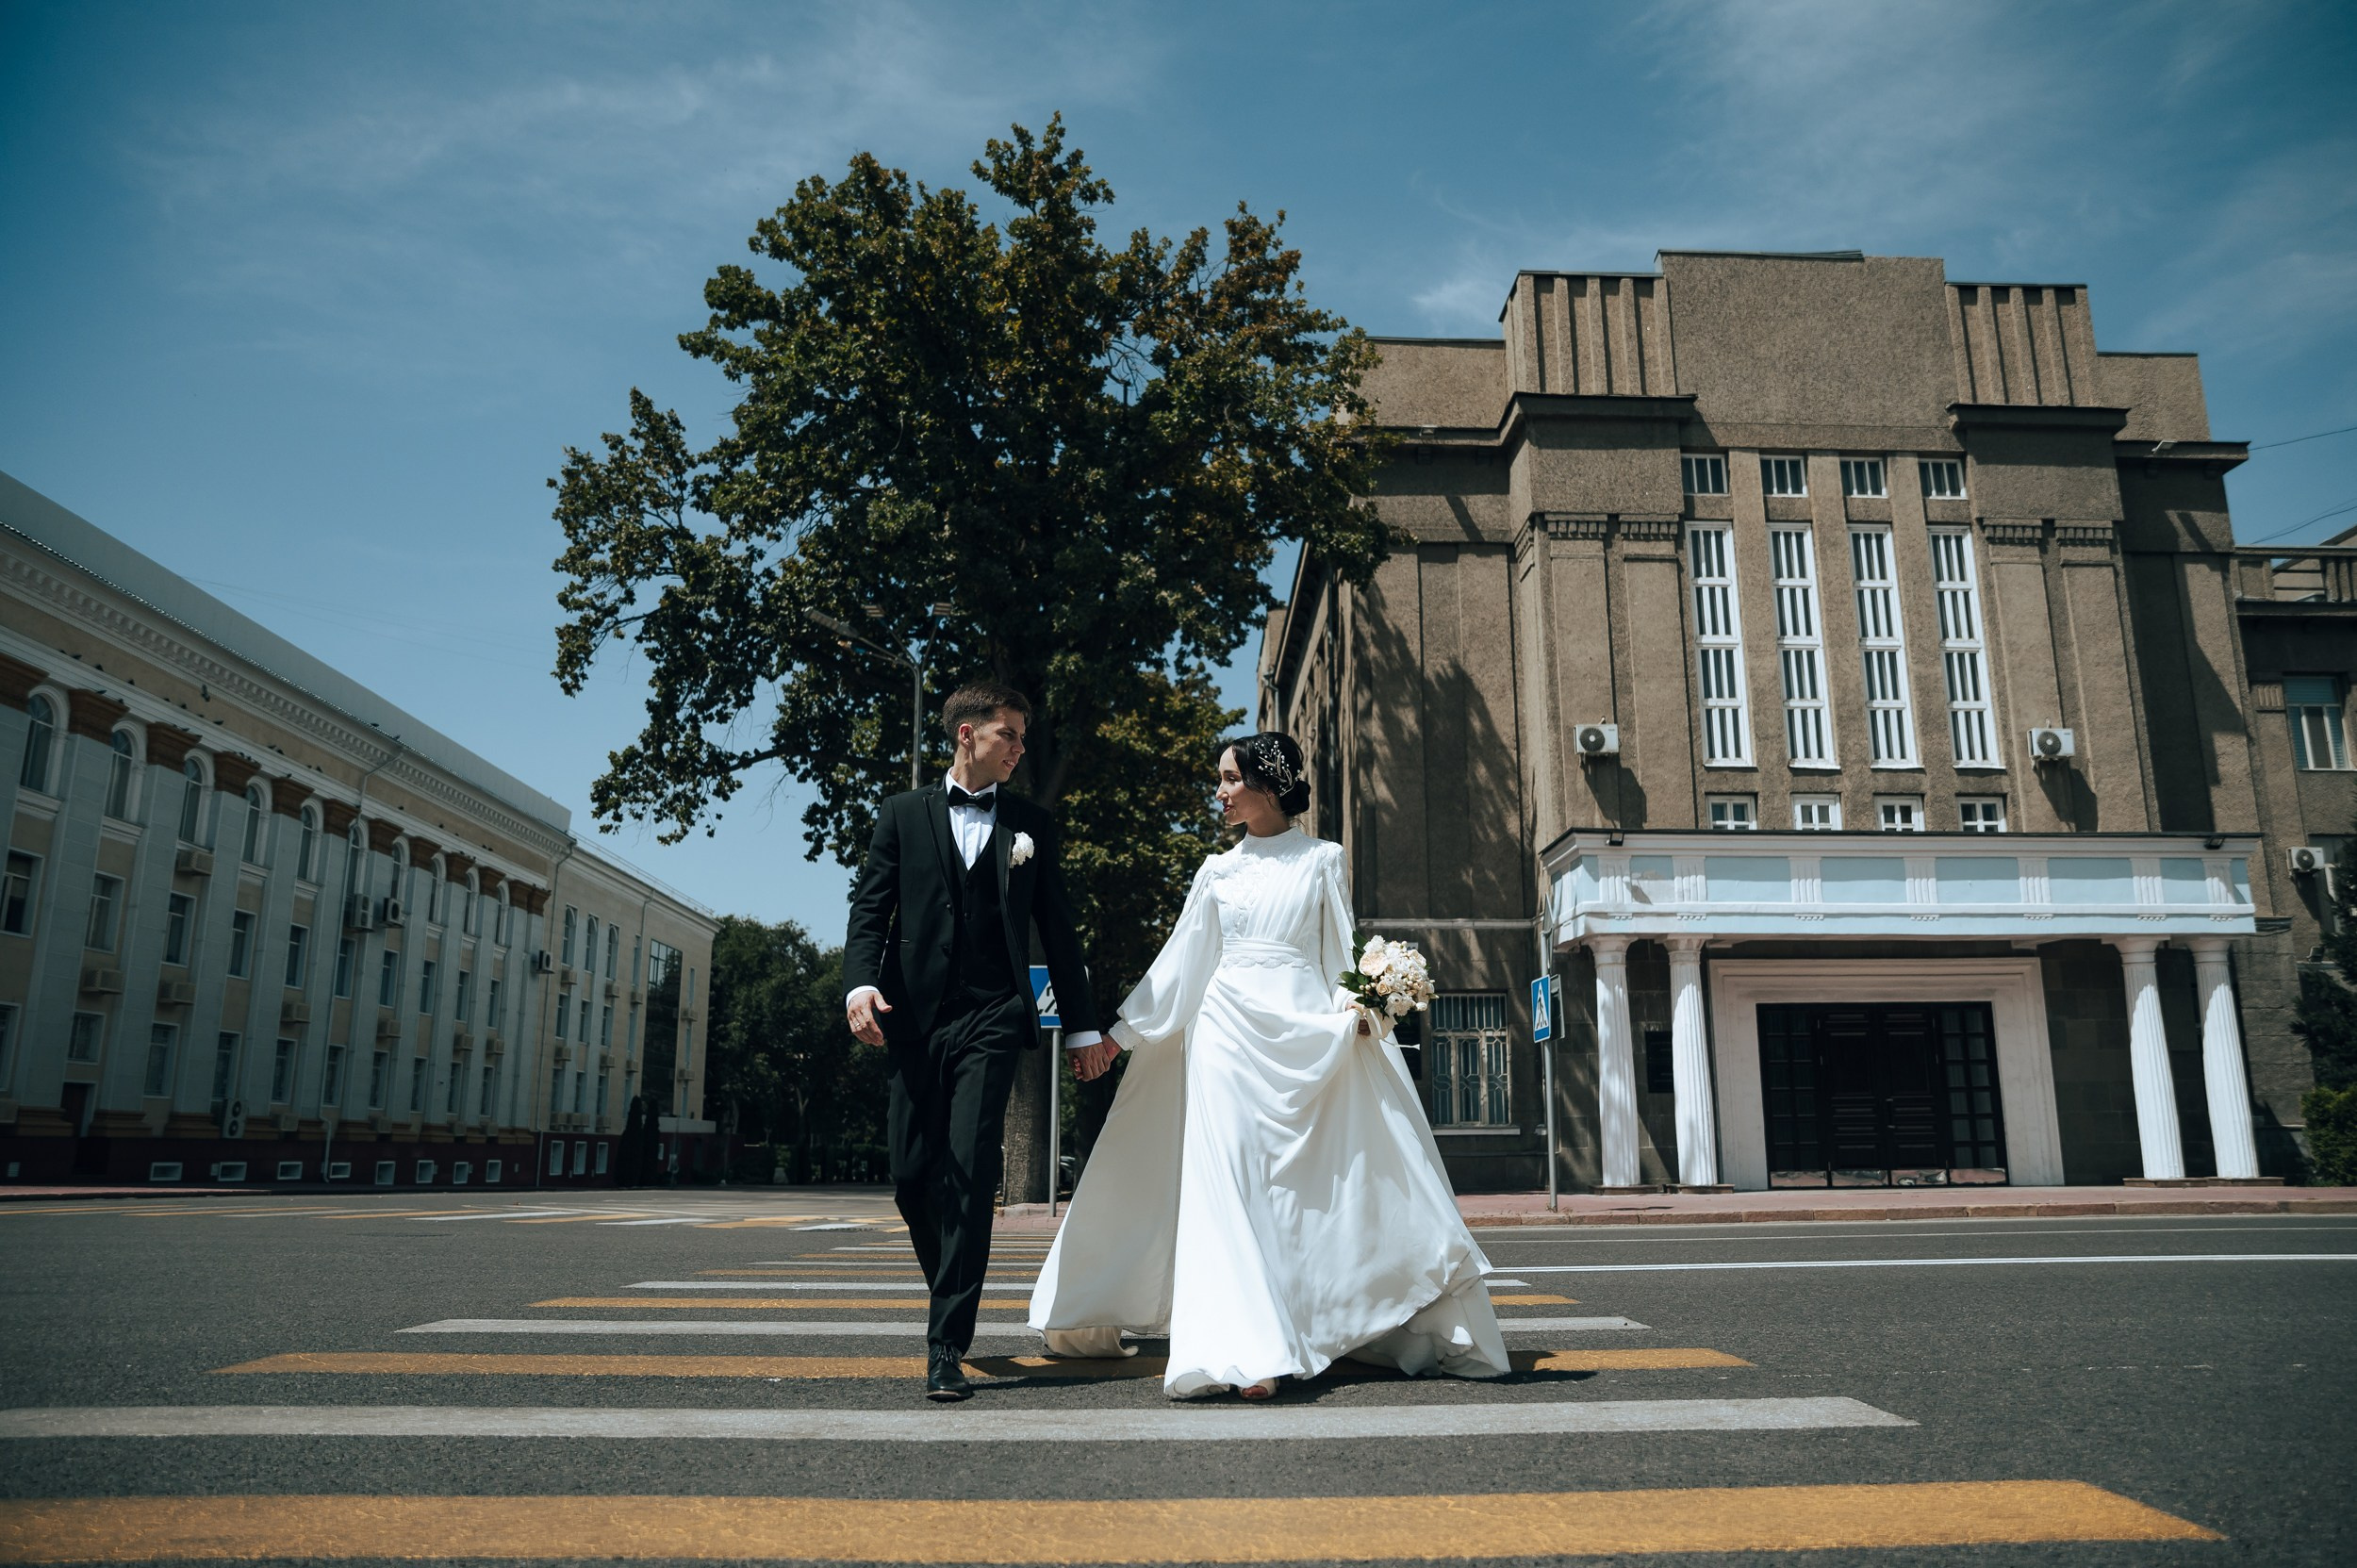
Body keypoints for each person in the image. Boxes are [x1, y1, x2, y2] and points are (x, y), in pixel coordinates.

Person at [1031, 731, 1508, 1399]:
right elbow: (1182, 962)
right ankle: (1248, 1352)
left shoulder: (1322, 859)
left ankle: (1313, 1320)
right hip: (1224, 1037)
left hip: (1305, 1035)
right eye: (1219, 779)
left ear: (1268, 783)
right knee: (1227, 1187)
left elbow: (1340, 950)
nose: (1219, 792)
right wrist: (1120, 1034)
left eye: (1229, 778)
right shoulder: (1216, 871)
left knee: (1293, 1196)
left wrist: (1365, 1003)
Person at [843, 682, 1102, 1402]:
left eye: (1023, 737)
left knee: (966, 1171)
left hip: (993, 1016)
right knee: (910, 1177)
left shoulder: (1031, 825)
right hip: (914, 1017)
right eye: (1009, 735)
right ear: (966, 734)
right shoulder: (901, 814)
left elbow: (1059, 926)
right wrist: (859, 986)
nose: (1021, 748)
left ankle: (945, 1342)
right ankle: (952, 1280)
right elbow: (870, 908)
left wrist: (1081, 1025)